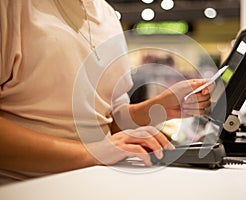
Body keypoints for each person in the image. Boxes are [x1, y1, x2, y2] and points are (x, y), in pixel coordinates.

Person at [0, 0, 212, 184]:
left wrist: (158, 107)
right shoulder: (13, 7)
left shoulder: (108, 14)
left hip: (98, 179)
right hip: (23, 186)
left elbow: (108, 119)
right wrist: (92, 152)